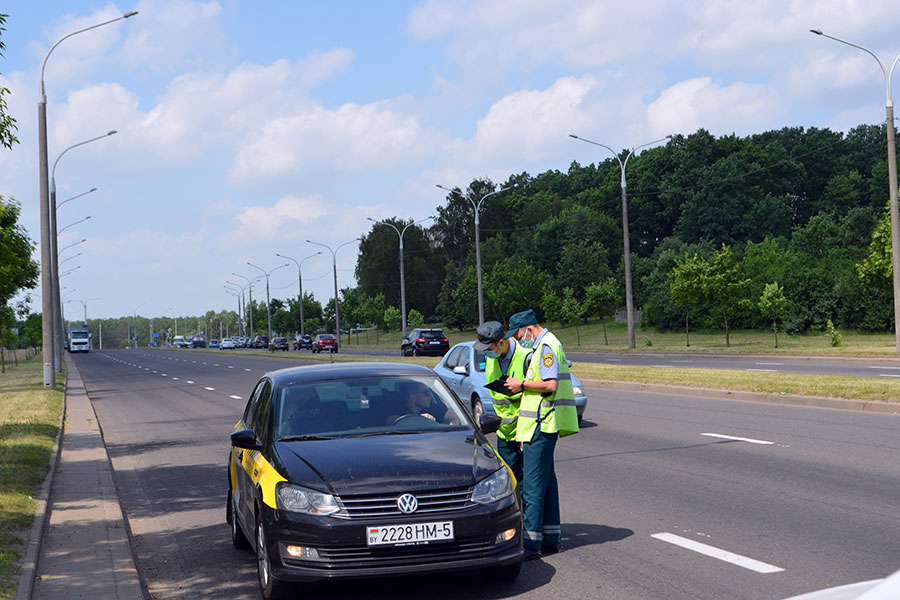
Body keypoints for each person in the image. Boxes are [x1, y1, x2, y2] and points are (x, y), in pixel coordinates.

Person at [501, 309, 579, 560]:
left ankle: (531, 544)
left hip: (542, 425)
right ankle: (551, 538)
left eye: (518, 334)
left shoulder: (546, 345)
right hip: (545, 424)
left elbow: (550, 384)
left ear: (528, 329)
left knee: (533, 486)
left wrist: (520, 385)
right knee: (546, 483)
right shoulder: (545, 344)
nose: (518, 339)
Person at [474, 320, 528, 484]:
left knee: (528, 482)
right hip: (504, 432)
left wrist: (521, 388)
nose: (487, 354)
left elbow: (538, 392)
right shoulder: (492, 359)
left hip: (524, 432)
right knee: (510, 481)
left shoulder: (526, 357)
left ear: (501, 342)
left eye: (489, 349)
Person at [387, 381, 459, 425]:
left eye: (430, 392)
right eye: (426, 393)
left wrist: (446, 435)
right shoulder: (396, 409)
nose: (430, 396)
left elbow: (454, 417)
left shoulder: (431, 407)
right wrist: (421, 420)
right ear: (413, 398)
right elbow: (391, 422)